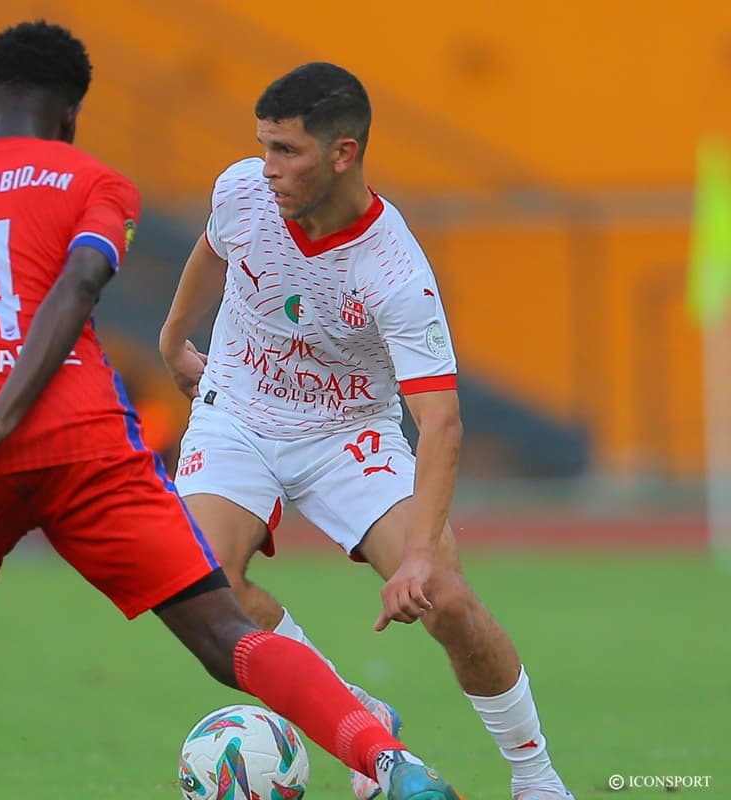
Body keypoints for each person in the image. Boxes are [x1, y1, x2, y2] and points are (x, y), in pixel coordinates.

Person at [0, 22, 462, 800]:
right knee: (220, 628)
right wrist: (14, 412)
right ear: (70, 120)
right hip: (80, 437)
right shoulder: (92, 181)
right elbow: (81, 283)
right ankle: (391, 764)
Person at [158, 62, 573, 800]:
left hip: (348, 432)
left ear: (344, 153)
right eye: (264, 146)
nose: (269, 168)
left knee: (444, 595)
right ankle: (357, 717)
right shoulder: (243, 192)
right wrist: (171, 339)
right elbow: (213, 247)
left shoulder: (392, 269)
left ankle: (535, 777)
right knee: (203, 584)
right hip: (238, 416)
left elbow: (441, 421)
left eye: (288, 151)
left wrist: (416, 557)